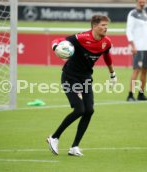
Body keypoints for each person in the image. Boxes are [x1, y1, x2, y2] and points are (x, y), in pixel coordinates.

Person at [47, 15, 117, 156]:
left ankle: (74, 147)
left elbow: (107, 56)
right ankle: (54, 138)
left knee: (89, 110)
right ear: (94, 26)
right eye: (103, 25)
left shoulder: (106, 42)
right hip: (69, 77)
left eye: (107, 25)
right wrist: (56, 47)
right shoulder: (81, 38)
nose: (106, 28)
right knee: (79, 109)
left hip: (85, 78)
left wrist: (112, 74)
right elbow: (58, 40)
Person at [126, 0, 147, 101]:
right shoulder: (132, 14)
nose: (142, 3)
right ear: (137, 2)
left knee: (145, 70)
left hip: (145, 47)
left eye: (144, 1)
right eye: (140, 1)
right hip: (138, 46)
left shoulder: (145, 13)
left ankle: (141, 94)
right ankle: (130, 95)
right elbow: (128, 30)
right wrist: (132, 45)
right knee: (137, 70)